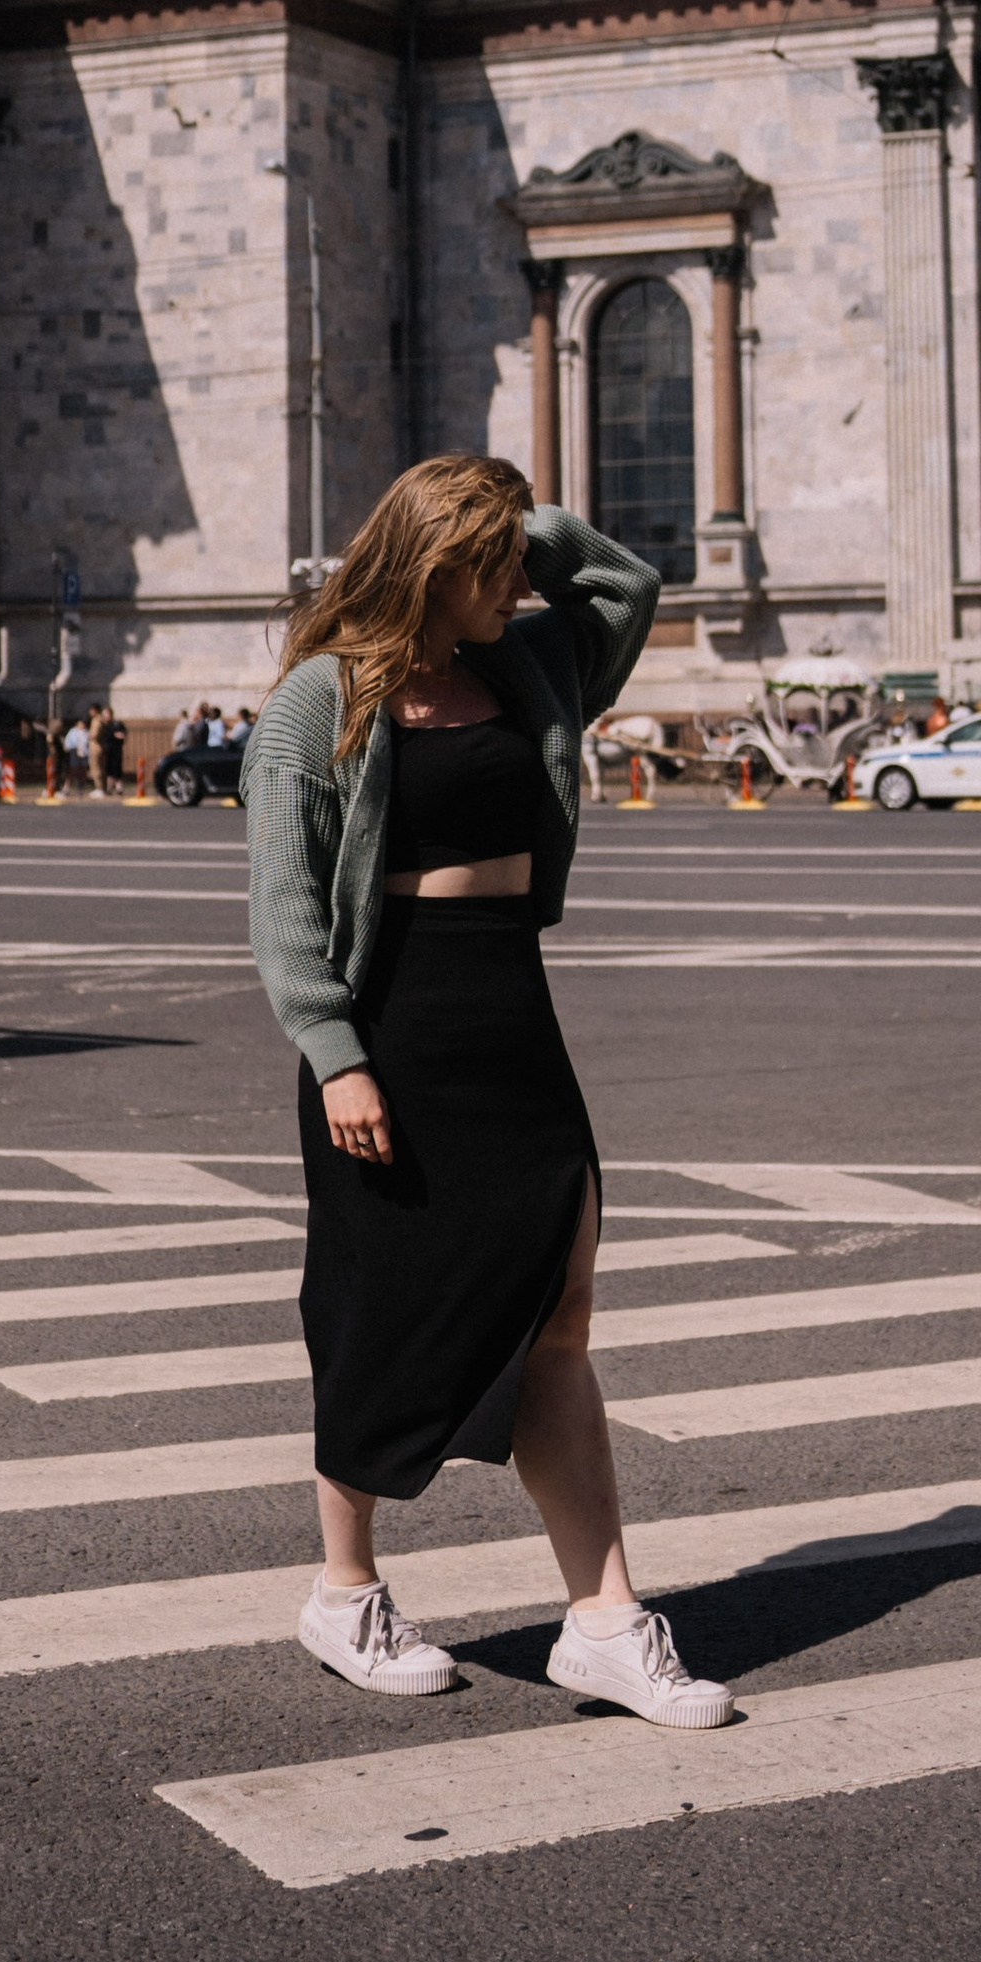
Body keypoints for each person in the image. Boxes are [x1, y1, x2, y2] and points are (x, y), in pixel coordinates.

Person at [243, 451, 733, 1730]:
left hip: (510, 1016)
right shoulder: (319, 700)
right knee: (374, 1313)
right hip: (389, 1030)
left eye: (519, 558)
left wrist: (521, 517)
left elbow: (625, 586)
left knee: (559, 1318)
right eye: (497, 558)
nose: (521, 578)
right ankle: (343, 1591)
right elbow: (286, 905)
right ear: (438, 563)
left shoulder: (524, 665)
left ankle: (606, 1623)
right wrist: (334, 1052)